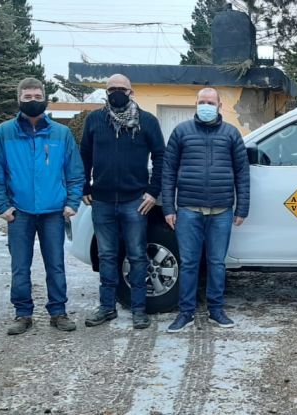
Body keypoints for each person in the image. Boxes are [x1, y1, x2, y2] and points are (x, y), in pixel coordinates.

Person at [0, 77, 84, 335]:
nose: (33, 101)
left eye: (37, 96)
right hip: (19, 213)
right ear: (19, 100)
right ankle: (23, 314)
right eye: (27, 97)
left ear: (45, 98)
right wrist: (2, 207)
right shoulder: (4, 133)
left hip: (53, 213)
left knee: (56, 264)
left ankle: (58, 312)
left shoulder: (61, 133)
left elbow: (75, 172)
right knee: (20, 266)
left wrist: (72, 202)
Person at [161, 87, 250, 333]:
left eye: (211, 102)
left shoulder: (231, 134)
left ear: (220, 106)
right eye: (202, 101)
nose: (206, 105)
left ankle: (216, 310)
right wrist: (168, 207)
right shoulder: (181, 132)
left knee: (217, 263)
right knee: (189, 263)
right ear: (196, 104)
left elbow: (242, 173)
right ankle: (185, 312)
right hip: (188, 209)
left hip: (221, 211)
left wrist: (242, 207)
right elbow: (168, 172)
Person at [81, 74, 165, 330]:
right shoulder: (95, 120)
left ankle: (139, 309)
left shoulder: (147, 121)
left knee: (138, 256)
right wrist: (84, 185)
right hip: (103, 200)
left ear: (131, 92)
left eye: (122, 89)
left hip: (135, 201)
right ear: (106, 93)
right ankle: (107, 307)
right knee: (107, 255)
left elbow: (161, 157)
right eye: (112, 89)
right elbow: (84, 155)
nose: (116, 92)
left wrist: (153, 192)